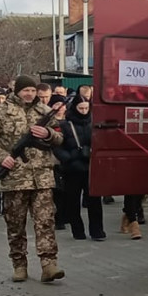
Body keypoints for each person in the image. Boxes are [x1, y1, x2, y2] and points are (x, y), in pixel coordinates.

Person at [0, 75, 63, 283]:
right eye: (26, 90)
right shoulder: (0, 112)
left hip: (42, 177)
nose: (30, 94)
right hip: (14, 177)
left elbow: (60, 137)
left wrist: (48, 133)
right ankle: (19, 264)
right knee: (15, 224)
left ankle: (48, 264)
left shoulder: (43, 111)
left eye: (33, 91)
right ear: (17, 91)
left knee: (45, 222)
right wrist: (1, 157)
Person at [53, 97, 104, 241]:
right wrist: (68, 157)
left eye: (86, 108)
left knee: (94, 202)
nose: (83, 111)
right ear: (74, 108)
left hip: (91, 168)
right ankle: (78, 231)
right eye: (80, 108)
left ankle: (97, 231)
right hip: (72, 170)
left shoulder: (94, 123)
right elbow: (57, 146)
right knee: (72, 202)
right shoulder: (65, 125)